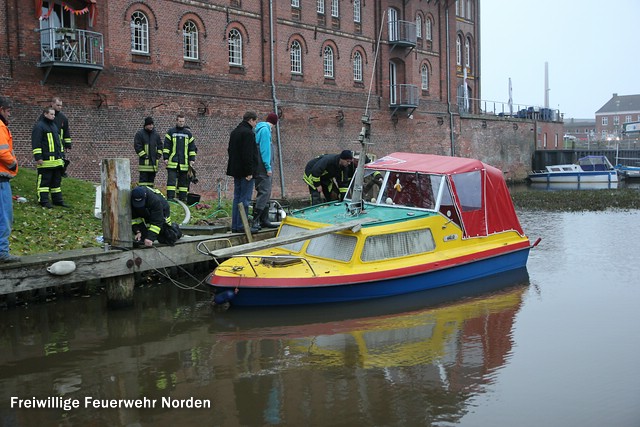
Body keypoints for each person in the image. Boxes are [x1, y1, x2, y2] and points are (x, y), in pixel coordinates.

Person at [226, 111, 259, 234]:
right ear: (250, 120)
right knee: (245, 199)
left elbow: (230, 150)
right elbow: (248, 154)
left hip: (235, 170)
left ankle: (235, 225)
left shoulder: (235, 132)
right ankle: (242, 226)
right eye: (255, 121)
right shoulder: (248, 133)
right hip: (246, 172)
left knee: (237, 198)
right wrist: (249, 172)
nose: (256, 124)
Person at [32, 106, 68, 208]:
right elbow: (36, 142)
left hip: (57, 161)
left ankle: (57, 200)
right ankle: (43, 201)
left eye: (54, 114)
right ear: (45, 114)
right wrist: (38, 157)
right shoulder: (39, 126)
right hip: (46, 161)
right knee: (44, 182)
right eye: (51, 114)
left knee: (56, 183)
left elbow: (58, 143)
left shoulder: (54, 126)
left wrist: (62, 156)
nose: (53, 116)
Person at [251, 112, 279, 231]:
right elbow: (265, 150)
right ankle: (256, 220)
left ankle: (264, 219)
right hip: (263, 167)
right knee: (264, 191)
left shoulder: (260, 129)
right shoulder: (265, 131)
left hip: (260, 166)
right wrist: (268, 167)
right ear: (274, 123)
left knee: (265, 192)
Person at [0, 96, 19, 263]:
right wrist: (13, 164)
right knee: (4, 217)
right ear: (1, 110)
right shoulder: (0, 127)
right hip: (1, 181)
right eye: (8, 111)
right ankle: (2, 252)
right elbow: (2, 151)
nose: (9, 115)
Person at [163, 113, 197, 201]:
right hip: (172, 161)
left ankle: (182, 199)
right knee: (171, 181)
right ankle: (170, 198)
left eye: (183, 121)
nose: (182, 123)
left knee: (183, 182)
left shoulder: (188, 134)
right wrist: (166, 158)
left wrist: (192, 159)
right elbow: (166, 146)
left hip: (184, 162)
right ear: (176, 121)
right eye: (180, 121)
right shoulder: (171, 132)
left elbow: (192, 148)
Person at [134, 116, 163, 187]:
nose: (151, 126)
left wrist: (158, 155)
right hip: (144, 164)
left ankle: (149, 196)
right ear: (146, 125)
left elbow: (160, 145)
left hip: (153, 165)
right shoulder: (140, 134)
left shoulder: (156, 135)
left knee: (151, 184)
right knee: (143, 183)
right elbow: (137, 146)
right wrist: (144, 155)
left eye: (152, 124)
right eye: (149, 124)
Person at [51, 97, 72, 176]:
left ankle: (61, 172)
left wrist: (68, 145)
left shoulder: (63, 118)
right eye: (57, 105)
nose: (59, 107)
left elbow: (66, 131)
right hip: (49, 142)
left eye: (60, 105)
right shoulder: (46, 115)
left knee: (61, 158)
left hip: (60, 143)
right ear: (52, 104)